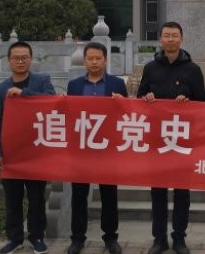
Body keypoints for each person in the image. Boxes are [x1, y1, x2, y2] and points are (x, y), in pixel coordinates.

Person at [137, 21, 205, 254]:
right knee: (157, 191)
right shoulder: (150, 68)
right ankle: (159, 239)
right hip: (157, 139)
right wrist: (146, 97)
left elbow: (202, 103)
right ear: (160, 39)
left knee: (181, 192)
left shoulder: (193, 70)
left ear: (181, 39)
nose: (170, 39)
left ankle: (179, 238)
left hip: (182, 140)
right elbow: (139, 97)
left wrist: (188, 102)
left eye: (174, 35)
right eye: (166, 35)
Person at [0, 41, 56, 254]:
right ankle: (15, 238)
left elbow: (52, 100)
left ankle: (37, 237)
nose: (20, 61)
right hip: (12, 153)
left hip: (36, 151)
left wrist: (24, 94)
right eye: (16, 58)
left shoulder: (42, 81)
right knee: (13, 198)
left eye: (24, 57)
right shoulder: (1, 89)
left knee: (37, 197)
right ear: (8, 61)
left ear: (30, 59)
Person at [65, 42, 127, 254]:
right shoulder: (74, 86)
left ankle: (110, 238)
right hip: (81, 149)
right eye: (90, 58)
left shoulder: (117, 84)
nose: (94, 62)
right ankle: (77, 238)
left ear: (105, 60)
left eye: (98, 58)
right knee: (78, 196)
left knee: (109, 195)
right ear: (84, 61)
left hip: (107, 150)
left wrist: (122, 102)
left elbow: (127, 116)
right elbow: (68, 116)